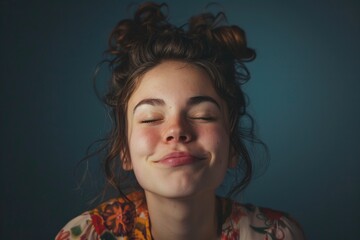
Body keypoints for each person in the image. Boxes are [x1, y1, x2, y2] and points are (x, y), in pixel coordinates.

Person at [56, 2, 305, 240]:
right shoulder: (85, 235)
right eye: (151, 118)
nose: (176, 131)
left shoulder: (279, 234)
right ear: (125, 151)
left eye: (202, 115)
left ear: (232, 147)